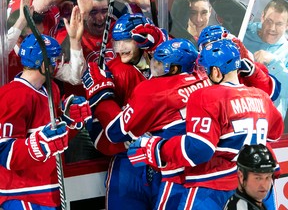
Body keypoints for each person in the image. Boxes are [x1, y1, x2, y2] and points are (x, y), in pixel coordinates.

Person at [127, 39, 284, 210]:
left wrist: (157, 148)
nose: (203, 75)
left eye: (205, 70)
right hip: (250, 188)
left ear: (216, 71)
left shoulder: (207, 96)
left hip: (212, 187)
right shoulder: (260, 96)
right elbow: (275, 133)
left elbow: (199, 149)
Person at [81, 12, 167, 209]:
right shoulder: (114, 72)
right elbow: (100, 138)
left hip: (165, 159)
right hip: (128, 163)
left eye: (126, 40)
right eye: (117, 41)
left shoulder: (166, 63)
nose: (120, 48)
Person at [0, 33, 91, 209]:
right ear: (43, 64)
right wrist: (38, 144)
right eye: (55, 60)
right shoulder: (12, 96)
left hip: (49, 190)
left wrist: (69, 121)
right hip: (22, 194)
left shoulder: (52, 89)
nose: (57, 64)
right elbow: (4, 151)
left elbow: (55, 141)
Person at [243, 0, 288, 119]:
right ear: (262, 16)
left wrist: (274, 62)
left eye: (279, 24)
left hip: (267, 123)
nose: (272, 28)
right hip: (236, 112)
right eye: (269, 21)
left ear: (287, 26)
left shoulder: (286, 50)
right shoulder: (243, 32)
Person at [223, 144, 277, 210]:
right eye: (258, 178)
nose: (264, 185)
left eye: (268, 177)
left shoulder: (250, 203)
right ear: (241, 176)